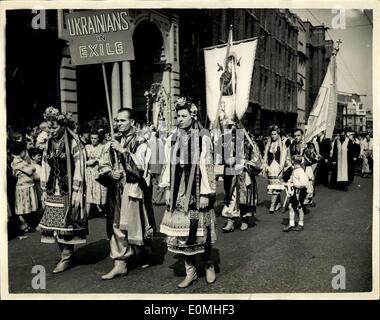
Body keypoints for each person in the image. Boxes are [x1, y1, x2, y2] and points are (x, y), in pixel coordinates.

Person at [159, 97, 217, 288]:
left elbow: (207, 166)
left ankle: (208, 264)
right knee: (182, 232)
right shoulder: (173, 138)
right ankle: (190, 271)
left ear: (193, 115)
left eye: (184, 115)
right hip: (178, 190)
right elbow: (168, 165)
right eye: (178, 116)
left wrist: (204, 194)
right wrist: (167, 188)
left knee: (201, 228)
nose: (180, 119)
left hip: (197, 187)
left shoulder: (202, 138)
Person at [98, 108, 155, 280]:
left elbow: (141, 168)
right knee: (116, 224)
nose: (118, 124)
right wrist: (110, 173)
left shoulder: (141, 142)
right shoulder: (111, 143)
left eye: (122, 120)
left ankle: (142, 253)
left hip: (133, 189)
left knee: (135, 225)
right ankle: (120, 263)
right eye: (116, 120)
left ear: (132, 122)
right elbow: (103, 164)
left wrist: (123, 151)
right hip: (117, 189)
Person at [37, 107, 87, 274]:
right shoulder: (49, 143)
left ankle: (67, 256)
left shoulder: (73, 142)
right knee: (53, 224)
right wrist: (44, 189)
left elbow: (80, 165)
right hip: (53, 187)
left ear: (63, 125)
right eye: (49, 128)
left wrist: (77, 190)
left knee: (67, 223)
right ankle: (66, 254)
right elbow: (45, 165)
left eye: (55, 127)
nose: (51, 131)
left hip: (69, 189)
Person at [220, 125, 261, 232]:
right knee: (231, 197)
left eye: (235, 134)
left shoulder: (250, 144)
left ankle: (245, 220)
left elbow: (257, 162)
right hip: (231, 176)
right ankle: (231, 221)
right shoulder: (228, 144)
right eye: (232, 134)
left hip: (244, 176)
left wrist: (243, 163)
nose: (233, 137)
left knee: (244, 199)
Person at [10, 141, 38, 236]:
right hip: (23, 186)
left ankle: (26, 225)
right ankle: (23, 225)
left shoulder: (19, 160)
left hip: (25, 185)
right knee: (23, 206)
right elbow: (30, 170)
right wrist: (32, 166)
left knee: (25, 205)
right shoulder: (18, 161)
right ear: (21, 152)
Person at [262, 125, 287, 214]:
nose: (273, 136)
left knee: (276, 187)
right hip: (271, 167)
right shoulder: (268, 145)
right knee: (274, 186)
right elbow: (265, 156)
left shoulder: (281, 144)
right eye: (272, 134)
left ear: (278, 134)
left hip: (278, 167)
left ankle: (272, 206)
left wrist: (282, 167)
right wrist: (265, 166)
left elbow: (283, 156)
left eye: (275, 134)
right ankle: (279, 203)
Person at [283, 155, 309, 232]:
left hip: (299, 191)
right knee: (291, 206)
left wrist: (294, 184)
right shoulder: (295, 170)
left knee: (299, 208)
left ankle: (301, 224)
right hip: (295, 191)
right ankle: (291, 224)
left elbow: (304, 183)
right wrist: (288, 182)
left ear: (294, 162)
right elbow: (292, 179)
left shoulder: (299, 171)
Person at [85, 131, 107, 217]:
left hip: (98, 171)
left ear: (99, 139)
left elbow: (105, 159)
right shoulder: (87, 147)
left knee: (100, 189)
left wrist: (97, 161)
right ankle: (87, 213)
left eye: (95, 138)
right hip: (89, 171)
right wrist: (88, 162)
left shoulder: (102, 147)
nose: (93, 140)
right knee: (89, 190)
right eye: (92, 138)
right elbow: (83, 159)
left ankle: (105, 210)